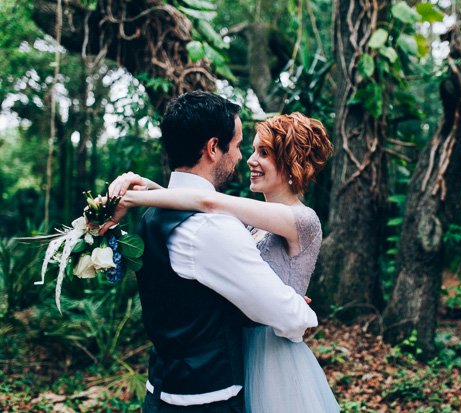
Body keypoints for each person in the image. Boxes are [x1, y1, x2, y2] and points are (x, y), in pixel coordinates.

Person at [105, 111, 340, 412]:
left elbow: (208, 202)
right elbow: (201, 216)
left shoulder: (303, 220)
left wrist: (133, 200)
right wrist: (148, 186)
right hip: (237, 351)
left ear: (291, 163)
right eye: (252, 149)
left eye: (264, 153)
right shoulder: (255, 219)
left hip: (273, 356)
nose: (250, 160)